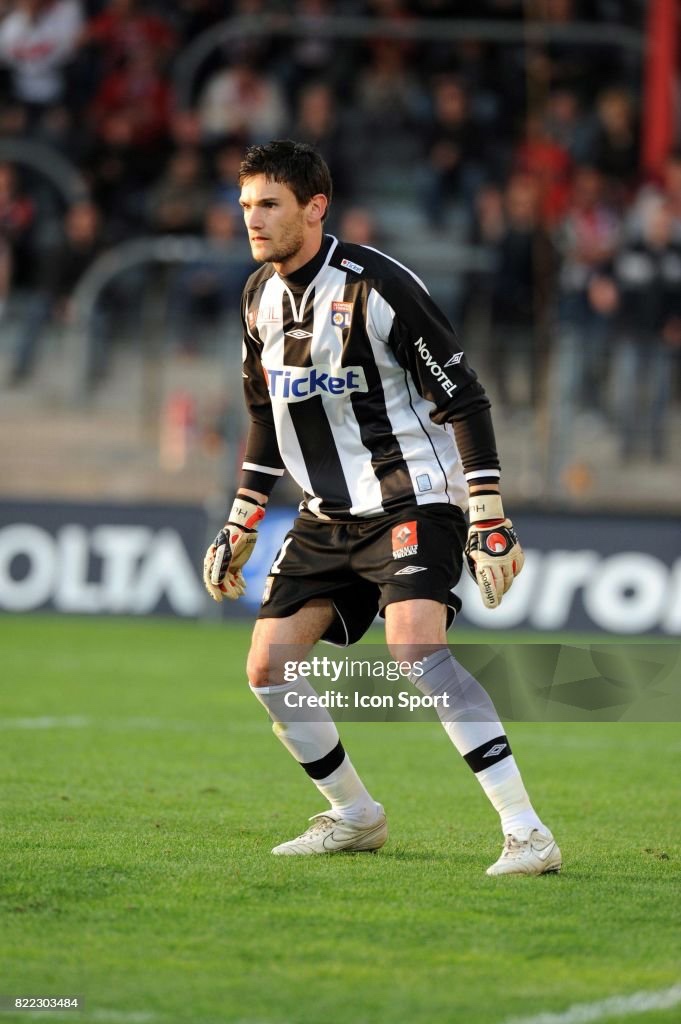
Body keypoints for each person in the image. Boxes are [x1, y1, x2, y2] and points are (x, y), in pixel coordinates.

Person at [202, 140, 561, 877]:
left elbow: (464, 398)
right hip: (324, 513)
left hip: (412, 497)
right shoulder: (257, 297)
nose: (253, 220)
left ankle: (527, 832)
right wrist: (243, 516)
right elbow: (265, 415)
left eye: (269, 204)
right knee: (266, 667)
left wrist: (488, 514)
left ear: (315, 207)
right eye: (245, 206)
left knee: (415, 647)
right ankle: (355, 816)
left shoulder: (378, 287)